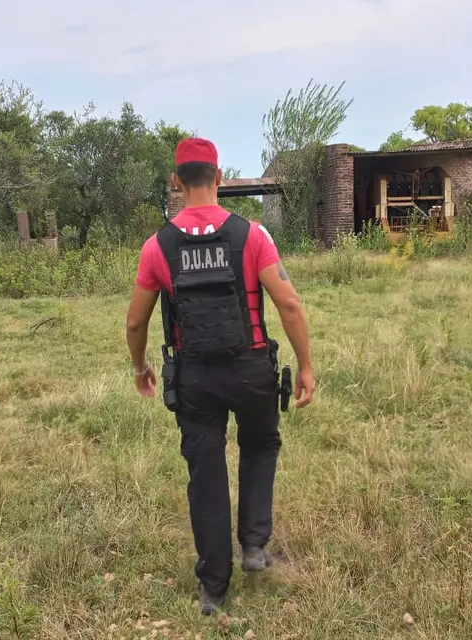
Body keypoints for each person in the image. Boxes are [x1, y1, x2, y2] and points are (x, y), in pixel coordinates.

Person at [125, 138, 315, 615]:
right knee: (260, 446)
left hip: (194, 376)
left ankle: (213, 587)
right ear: (220, 175)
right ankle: (253, 545)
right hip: (251, 368)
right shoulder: (251, 235)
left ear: (176, 181)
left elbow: (135, 321)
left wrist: (141, 366)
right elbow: (288, 303)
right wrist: (306, 364)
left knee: (205, 473)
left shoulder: (158, 246)